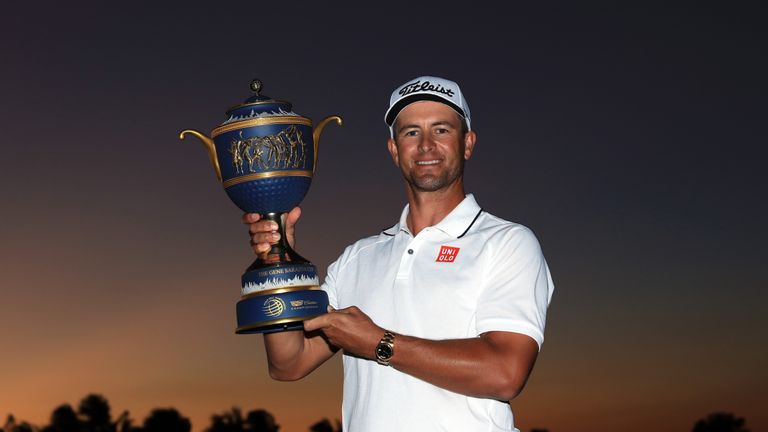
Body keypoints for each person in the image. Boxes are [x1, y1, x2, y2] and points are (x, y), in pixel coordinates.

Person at [243, 76, 554, 431]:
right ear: (393, 149)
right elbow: (288, 364)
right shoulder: (358, 257)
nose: (425, 145)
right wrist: (278, 263)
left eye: (441, 130)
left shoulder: (508, 242)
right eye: (410, 133)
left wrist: (379, 342)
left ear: (467, 143)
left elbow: (506, 373)